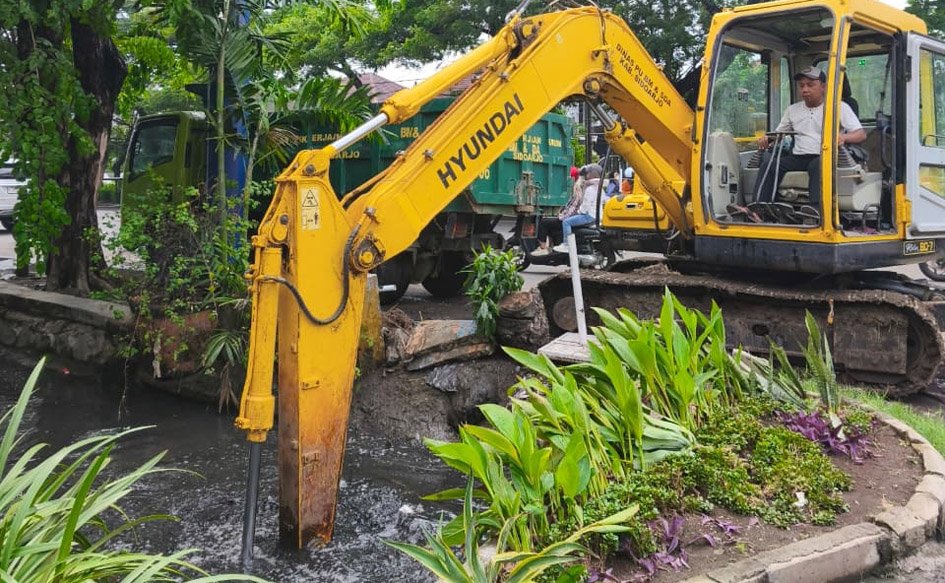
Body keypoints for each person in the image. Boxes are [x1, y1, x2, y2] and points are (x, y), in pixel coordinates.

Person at [753, 66, 867, 209]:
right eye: (801, 86)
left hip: (826, 155)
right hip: (799, 157)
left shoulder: (839, 107)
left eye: (810, 85)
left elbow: (860, 134)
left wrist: (843, 137)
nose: (805, 89)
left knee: (818, 165)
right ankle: (759, 209)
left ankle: (815, 211)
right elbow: (778, 134)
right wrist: (767, 139)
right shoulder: (792, 110)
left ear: (823, 87)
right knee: (769, 166)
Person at [553, 163, 604, 253]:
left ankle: (566, 245)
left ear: (591, 174)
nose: (585, 176)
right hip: (597, 216)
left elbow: (585, 207)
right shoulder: (600, 188)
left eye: (587, 173)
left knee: (566, 222)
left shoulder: (590, 189)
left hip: (589, 216)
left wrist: (578, 212)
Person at [531, 166, 580, 255]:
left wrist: (561, 217)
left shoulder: (576, 189)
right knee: (550, 223)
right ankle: (551, 247)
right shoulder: (574, 188)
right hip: (569, 216)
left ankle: (542, 248)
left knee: (544, 223)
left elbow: (572, 208)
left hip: (568, 218)